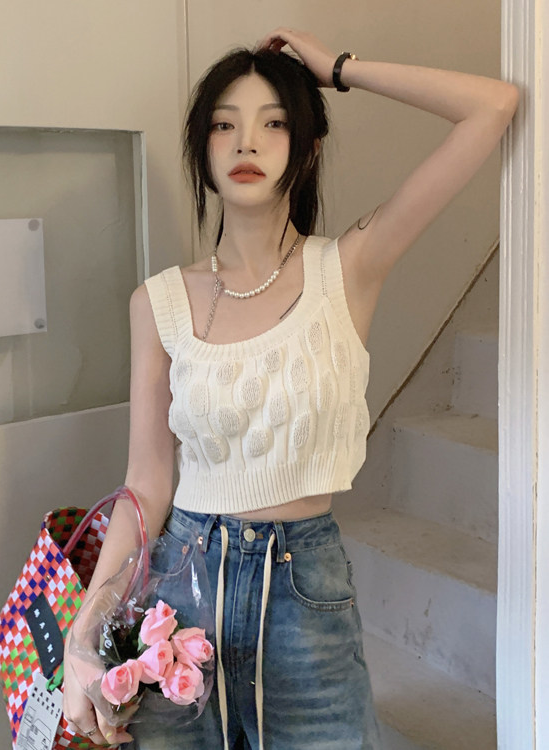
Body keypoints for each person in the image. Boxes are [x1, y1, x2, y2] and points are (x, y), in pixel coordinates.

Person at [62, 27, 518, 750]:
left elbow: (492, 106)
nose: (247, 142)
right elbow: (146, 485)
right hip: (177, 603)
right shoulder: (158, 303)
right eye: (225, 125)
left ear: (306, 148)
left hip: (304, 596)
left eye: (274, 123)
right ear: (202, 149)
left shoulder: (349, 269)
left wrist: (339, 69)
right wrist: (83, 636)